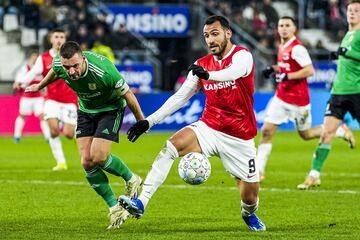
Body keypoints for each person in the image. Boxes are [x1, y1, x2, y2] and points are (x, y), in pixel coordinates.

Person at [118, 15, 266, 231]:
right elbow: (179, 98)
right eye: (206, 36)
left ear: (228, 33)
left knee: (250, 197)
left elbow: (234, 72)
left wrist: (209, 75)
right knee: (170, 147)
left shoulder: (243, 56)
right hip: (209, 127)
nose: (210, 40)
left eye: (215, 34)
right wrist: (148, 122)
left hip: (240, 136)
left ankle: (248, 214)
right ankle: (141, 202)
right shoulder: (201, 65)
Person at [25, 41, 144, 229]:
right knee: (86, 162)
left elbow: (129, 96)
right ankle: (114, 207)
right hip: (85, 110)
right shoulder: (59, 63)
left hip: (110, 109)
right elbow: (55, 72)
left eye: (75, 66)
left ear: (83, 58)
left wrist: (141, 121)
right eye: (67, 67)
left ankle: (131, 178)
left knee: (98, 157)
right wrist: (40, 85)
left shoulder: (104, 71)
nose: (71, 72)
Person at [257, 16, 355, 182]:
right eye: (281, 25)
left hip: (299, 101)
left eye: (288, 25)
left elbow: (309, 70)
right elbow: (287, 66)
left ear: (294, 29)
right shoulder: (282, 46)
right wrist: (273, 69)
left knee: (306, 134)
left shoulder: (298, 48)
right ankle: (258, 171)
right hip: (281, 97)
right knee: (266, 131)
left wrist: (288, 76)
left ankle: (339, 130)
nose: (284, 28)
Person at [297, 0, 360, 190]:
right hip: (338, 93)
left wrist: (347, 54)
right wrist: (342, 55)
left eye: (356, 11)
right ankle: (314, 175)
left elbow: (352, 55)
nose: (352, 13)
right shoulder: (348, 34)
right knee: (326, 134)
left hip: (357, 92)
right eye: (350, 10)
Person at [14, 29, 78, 171]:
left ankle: (83, 143)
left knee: (68, 133)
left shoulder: (73, 57)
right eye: (56, 37)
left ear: (65, 39)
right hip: (51, 100)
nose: (59, 39)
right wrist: (21, 82)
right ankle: (61, 162)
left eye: (62, 37)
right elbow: (32, 73)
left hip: (70, 101)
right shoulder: (43, 58)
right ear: (51, 39)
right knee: (53, 131)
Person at [12, 52, 50, 143]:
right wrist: (18, 84)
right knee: (22, 116)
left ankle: (48, 137)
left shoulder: (41, 70)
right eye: (33, 57)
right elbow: (19, 80)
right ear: (31, 58)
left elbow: (46, 81)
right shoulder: (25, 68)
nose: (35, 59)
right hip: (26, 97)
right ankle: (17, 135)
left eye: (36, 57)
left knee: (42, 116)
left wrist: (46, 91)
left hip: (38, 98)